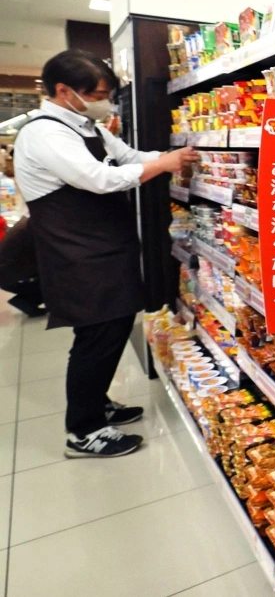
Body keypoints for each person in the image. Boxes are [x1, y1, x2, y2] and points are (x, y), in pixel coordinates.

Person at [14, 49, 199, 458]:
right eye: (97, 93)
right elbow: (99, 179)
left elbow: (130, 159)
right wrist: (162, 164)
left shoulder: (86, 124)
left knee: (113, 327)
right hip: (76, 255)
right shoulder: (46, 133)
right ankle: (82, 430)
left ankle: (96, 403)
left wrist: (172, 159)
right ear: (64, 91)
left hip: (102, 248)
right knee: (96, 335)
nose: (106, 102)